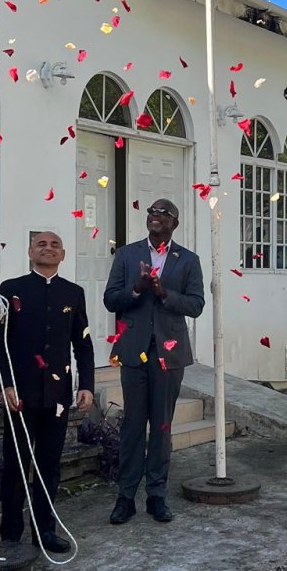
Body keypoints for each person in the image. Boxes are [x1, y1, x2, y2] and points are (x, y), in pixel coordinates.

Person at [103, 199, 205, 525]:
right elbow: (110, 299)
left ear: (175, 222)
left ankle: (157, 496)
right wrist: (137, 288)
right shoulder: (127, 255)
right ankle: (126, 497)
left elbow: (196, 305)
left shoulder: (188, 260)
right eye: (151, 212)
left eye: (163, 213)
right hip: (133, 350)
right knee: (133, 425)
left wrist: (163, 293)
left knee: (161, 425)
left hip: (168, 354)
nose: (155, 216)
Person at [0, 230, 95, 555]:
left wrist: (87, 385)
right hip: (20, 393)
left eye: (55, 245)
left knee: (49, 463)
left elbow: (82, 343)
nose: (48, 249)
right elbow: (0, 343)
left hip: (56, 393)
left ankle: (45, 530)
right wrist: (5, 383)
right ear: (29, 251)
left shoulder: (73, 292)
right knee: (15, 463)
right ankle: (10, 533)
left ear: (63, 255)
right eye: (42, 244)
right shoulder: (11, 290)